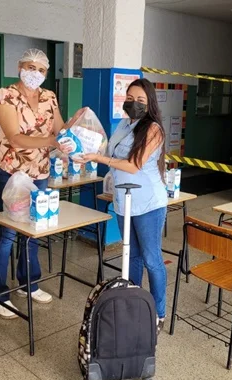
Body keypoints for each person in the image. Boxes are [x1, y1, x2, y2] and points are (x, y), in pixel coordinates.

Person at [80, 78, 168, 332]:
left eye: (141, 100)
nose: (135, 104)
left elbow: (133, 164)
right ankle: (134, 304)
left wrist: (99, 158)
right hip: (124, 200)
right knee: (132, 256)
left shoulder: (153, 129)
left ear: (149, 103)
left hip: (149, 202)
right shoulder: (122, 124)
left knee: (152, 259)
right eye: (131, 98)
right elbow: (105, 147)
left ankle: (158, 313)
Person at [0, 49, 67, 319]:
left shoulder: (49, 97)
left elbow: (60, 128)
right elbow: (15, 138)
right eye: (29, 67)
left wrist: (76, 133)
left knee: (35, 228)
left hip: (40, 172)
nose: (34, 73)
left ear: (46, 73)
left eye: (40, 69)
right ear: (19, 66)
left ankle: (29, 283)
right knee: (8, 234)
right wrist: (52, 142)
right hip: (11, 171)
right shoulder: (6, 95)